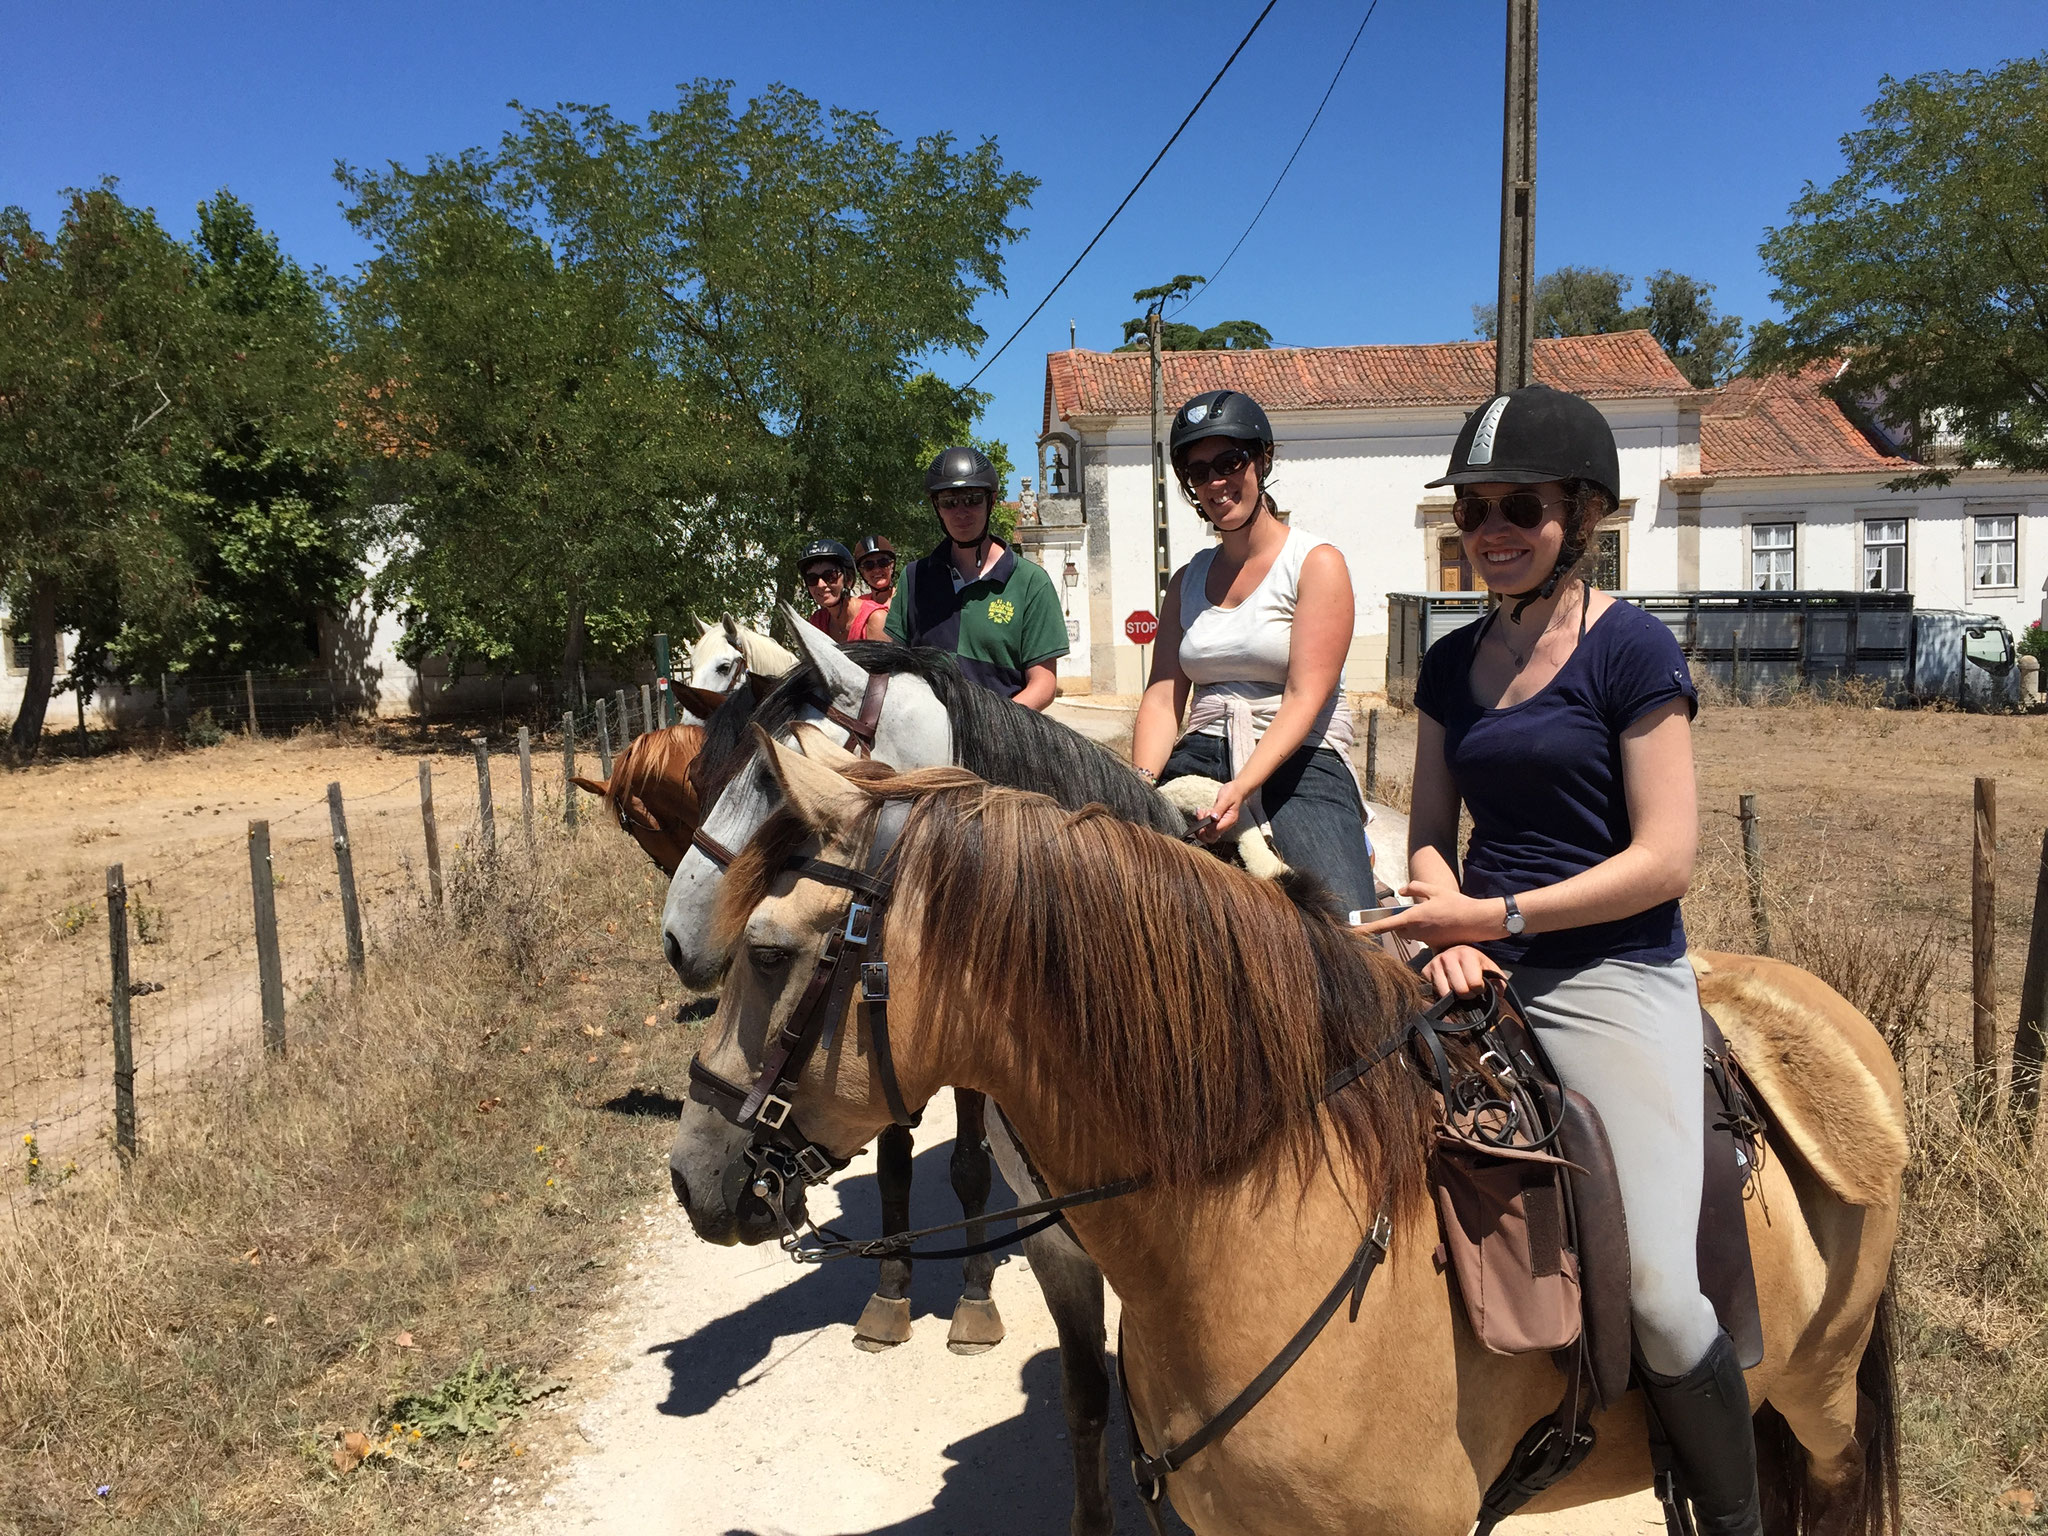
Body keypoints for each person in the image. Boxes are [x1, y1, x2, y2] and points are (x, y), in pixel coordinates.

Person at [1362, 383, 1759, 1536]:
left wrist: (1495, 918)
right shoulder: (1450, 662)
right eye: (1472, 507)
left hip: (1609, 973)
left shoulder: (1630, 649)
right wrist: (1441, 922)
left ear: (1578, 515)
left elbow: (1664, 858)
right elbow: (1426, 830)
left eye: (1518, 507)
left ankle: (1733, 1521)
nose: (1490, 529)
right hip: (1471, 962)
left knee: (1661, 1296)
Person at [1129, 389, 1376, 915]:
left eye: (1229, 462)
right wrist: (1140, 785)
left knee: (1345, 922)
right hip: (1200, 754)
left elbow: (1305, 695)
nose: (1215, 483)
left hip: (1300, 759)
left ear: (1262, 460)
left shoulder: (1315, 563)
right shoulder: (1185, 582)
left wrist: (1241, 786)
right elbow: (1163, 696)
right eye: (1198, 472)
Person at [886, 447, 1067, 709]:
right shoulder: (914, 578)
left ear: (991, 501)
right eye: (949, 502)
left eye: (972, 499)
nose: (961, 512)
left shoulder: (1031, 583)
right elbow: (894, 666)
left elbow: (1043, 684)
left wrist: (990, 726)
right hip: (926, 732)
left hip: (999, 731)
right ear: (937, 507)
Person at [799, 538, 888, 643]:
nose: (821, 585)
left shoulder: (875, 619)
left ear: (848, 578)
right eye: (812, 579)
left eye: (830, 576)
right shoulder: (818, 622)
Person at [853, 533, 898, 609]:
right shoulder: (859, 605)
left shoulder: (906, 600)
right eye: (868, 565)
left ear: (892, 565)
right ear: (861, 571)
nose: (877, 570)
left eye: (883, 562)